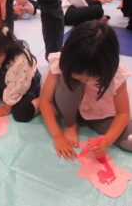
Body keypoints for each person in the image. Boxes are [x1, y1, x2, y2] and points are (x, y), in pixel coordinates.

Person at [40, 21, 132, 160]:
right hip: (67, 108)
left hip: (99, 114)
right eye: (77, 73)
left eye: (92, 76)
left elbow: (123, 113)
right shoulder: (62, 62)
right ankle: (71, 124)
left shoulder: (116, 74)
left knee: (130, 142)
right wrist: (58, 136)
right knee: (70, 83)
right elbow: (45, 100)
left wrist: (106, 141)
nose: (84, 79)